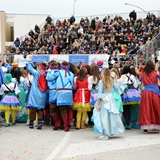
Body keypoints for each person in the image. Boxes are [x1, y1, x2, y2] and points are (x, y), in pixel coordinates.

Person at [93, 68, 125, 140]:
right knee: (111, 116)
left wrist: (97, 104)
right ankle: (110, 131)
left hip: (104, 99)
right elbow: (118, 90)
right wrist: (117, 81)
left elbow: (100, 94)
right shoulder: (112, 80)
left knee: (103, 116)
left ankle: (105, 133)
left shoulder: (101, 82)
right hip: (110, 99)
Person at [138, 61, 160, 133]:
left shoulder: (143, 74)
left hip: (146, 92)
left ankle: (145, 127)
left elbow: (140, 83)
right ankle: (156, 125)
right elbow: (159, 83)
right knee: (156, 108)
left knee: (146, 109)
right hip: (155, 92)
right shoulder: (156, 73)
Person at [26, 62, 47, 129]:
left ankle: (31, 123)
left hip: (35, 92)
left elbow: (29, 68)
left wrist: (30, 61)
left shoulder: (37, 73)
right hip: (43, 93)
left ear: (40, 67)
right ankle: (40, 122)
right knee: (40, 109)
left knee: (33, 108)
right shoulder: (46, 74)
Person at [120, 65, 140, 130]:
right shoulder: (132, 76)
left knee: (125, 109)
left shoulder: (122, 77)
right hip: (133, 93)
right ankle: (129, 122)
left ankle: (128, 123)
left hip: (125, 93)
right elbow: (135, 85)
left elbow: (120, 85)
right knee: (130, 108)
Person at [56, 61, 74, 132]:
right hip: (69, 91)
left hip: (61, 92)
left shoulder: (57, 73)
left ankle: (65, 126)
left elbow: (49, 77)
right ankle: (70, 122)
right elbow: (72, 84)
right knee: (69, 108)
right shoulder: (71, 74)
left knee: (62, 109)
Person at [46, 61, 60, 130]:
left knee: (52, 109)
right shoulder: (60, 73)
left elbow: (48, 78)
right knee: (59, 108)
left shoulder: (48, 73)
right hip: (59, 91)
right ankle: (60, 123)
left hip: (51, 91)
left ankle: (56, 122)